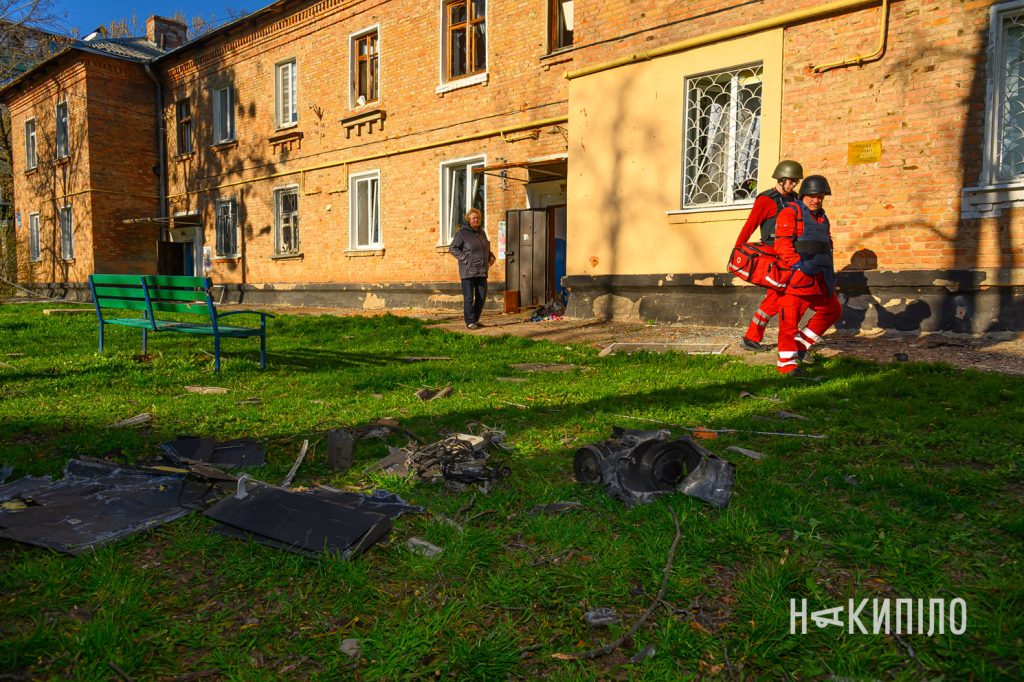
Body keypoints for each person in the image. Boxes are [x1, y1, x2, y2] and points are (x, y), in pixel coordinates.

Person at [773, 174, 843, 376]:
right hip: (797, 280)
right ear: (803, 195)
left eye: (820, 196)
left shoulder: (823, 217)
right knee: (789, 323)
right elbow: (782, 245)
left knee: (832, 310)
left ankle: (801, 346)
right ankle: (787, 366)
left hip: (820, 277)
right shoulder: (790, 213)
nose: (816, 200)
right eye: (812, 196)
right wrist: (798, 267)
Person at [734, 159, 804, 352]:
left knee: (777, 298)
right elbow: (750, 225)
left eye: (796, 181)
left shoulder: (796, 200)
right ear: (780, 179)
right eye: (791, 180)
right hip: (775, 257)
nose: (794, 184)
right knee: (780, 297)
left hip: (793, 256)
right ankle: (789, 343)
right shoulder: (766, 199)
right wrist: (737, 253)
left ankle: (752, 338)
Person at [448, 207, 495, 330]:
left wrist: (491, 256)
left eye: (478, 218)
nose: (476, 219)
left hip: (482, 270)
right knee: (469, 298)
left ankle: (475, 319)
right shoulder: (462, 233)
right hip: (468, 271)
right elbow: (452, 248)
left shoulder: (482, 233)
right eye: (473, 218)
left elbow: (485, 249)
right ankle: (470, 322)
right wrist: (466, 259)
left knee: (481, 296)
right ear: (468, 219)